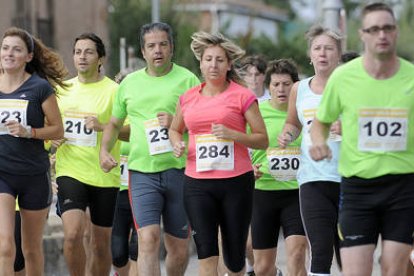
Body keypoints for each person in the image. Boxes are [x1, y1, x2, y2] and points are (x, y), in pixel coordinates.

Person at [310, 2, 414, 275]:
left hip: (403, 188)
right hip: (358, 189)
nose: (382, 35)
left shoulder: (412, 78)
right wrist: (319, 141)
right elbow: (320, 122)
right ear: (363, 35)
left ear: (396, 32)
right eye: (374, 29)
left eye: (388, 28)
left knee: (394, 269)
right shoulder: (344, 77)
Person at [100, 22, 199, 276]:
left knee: (178, 247)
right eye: (151, 46)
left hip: (180, 172)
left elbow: (203, 123)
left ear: (172, 48)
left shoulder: (188, 80)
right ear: (143, 51)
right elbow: (113, 123)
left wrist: (178, 124)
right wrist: (104, 150)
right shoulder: (129, 83)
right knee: (148, 239)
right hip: (142, 173)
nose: (158, 51)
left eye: (163, 44)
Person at [168, 31, 268, 276]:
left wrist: (234, 135)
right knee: (206, 253)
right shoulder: (188, 98)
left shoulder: (242, 96)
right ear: (201, 64)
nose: (213, 65)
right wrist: (176, 143)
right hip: (197, 184)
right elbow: (174, 129)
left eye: (220, 60)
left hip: (235, 183)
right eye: (208, 59)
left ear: (229, 64)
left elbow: (262, 139)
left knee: (234, 259)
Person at [53, 32, 121, 276]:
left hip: (104, 175)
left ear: (100, 58)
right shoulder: (61, 91)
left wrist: (104, 127)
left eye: (88, 52)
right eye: (78, 52)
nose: (82, 56)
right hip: (70, 171)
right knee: (72, 235)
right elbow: (51, 128)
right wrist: (53, 138)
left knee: (100, 245)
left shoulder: (115, 91)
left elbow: (129, 131)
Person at [0, 27, 66, 275]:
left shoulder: (40, 88)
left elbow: (57, 129)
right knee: (5, 246)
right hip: (2, 174)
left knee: (31, 249)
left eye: (16, 49)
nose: (9, 53)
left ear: (28, 56)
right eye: (5, 48)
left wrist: (31, 132)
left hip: (33, 175)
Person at [278, 25, 342, 276]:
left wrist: (347, 127)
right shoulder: (299, 89)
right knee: (321, 251)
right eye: (318, 48)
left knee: (350, 254)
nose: (323, 53)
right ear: (310, 55)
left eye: (329, 48)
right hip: (313, 179)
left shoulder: (350, 87)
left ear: (338, 54)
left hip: (349, 179)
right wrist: (287, 135)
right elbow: (293, 123)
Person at [251, 59, 307, 276]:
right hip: (263, 193)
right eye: (276, 84)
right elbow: (239, 144)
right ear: (268, 86)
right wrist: (249, 168)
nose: (281, 89)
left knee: (297, 254)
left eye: (286, 84)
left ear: (295, 86)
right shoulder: (257, 111)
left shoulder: (303, 112)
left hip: (297, 193)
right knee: (263, 267)